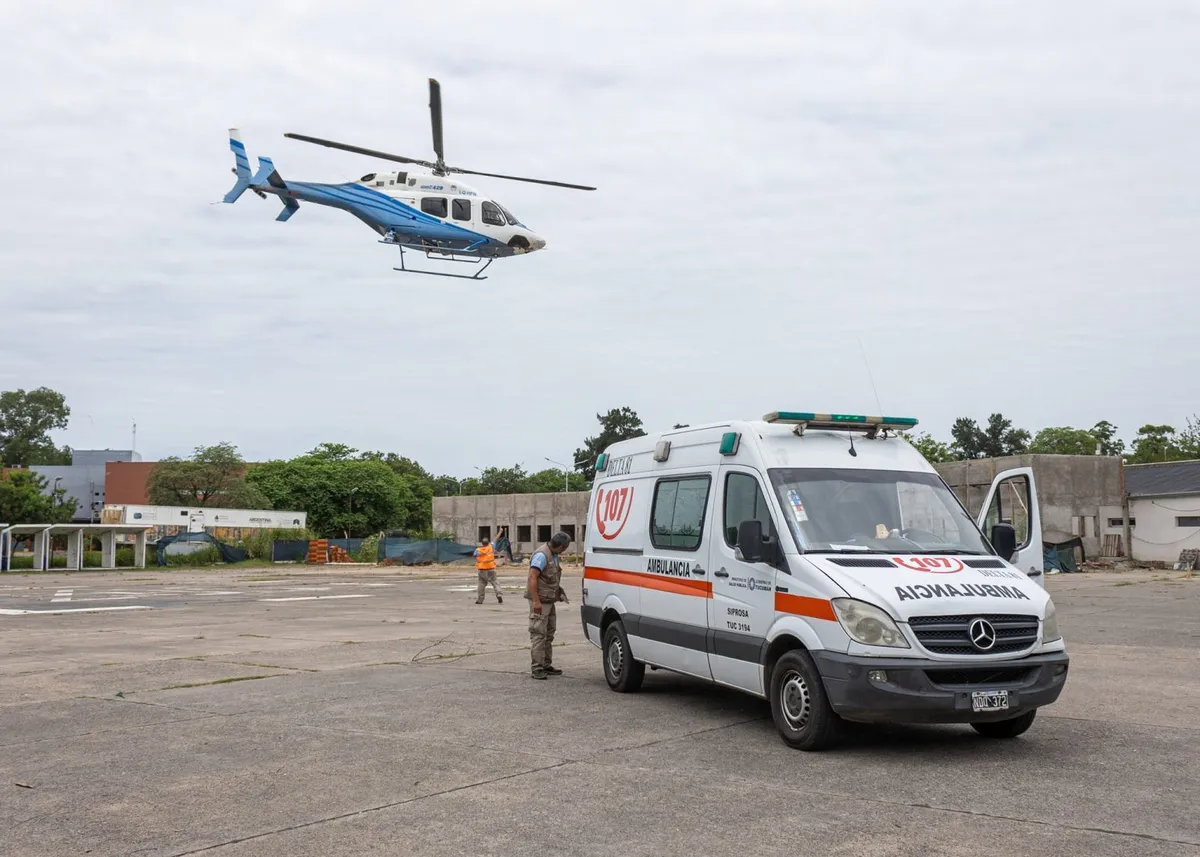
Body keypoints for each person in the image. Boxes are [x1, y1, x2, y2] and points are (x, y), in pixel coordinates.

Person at [526, 531, 572, 680]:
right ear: (560, 546)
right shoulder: (542, 556)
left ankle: (546, 664)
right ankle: (537, 668)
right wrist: (536, 601)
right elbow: (532, 577)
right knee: (539, 634)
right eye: (565, 548)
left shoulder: (553, 555)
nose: (565, 550)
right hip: (540, 601)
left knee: (549, 632)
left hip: (549, 600)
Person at [473, 536, 503, 604]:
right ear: (488, 543)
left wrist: (480, 554)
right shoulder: (491, 547)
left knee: (481, 584)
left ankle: (480, 599)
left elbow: (474, 555)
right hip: (491, 568)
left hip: (482, 570)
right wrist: (500, 532)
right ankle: (499, 595)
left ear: (482, 543)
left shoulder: (478, 550)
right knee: (495, 582)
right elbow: (495, 539)